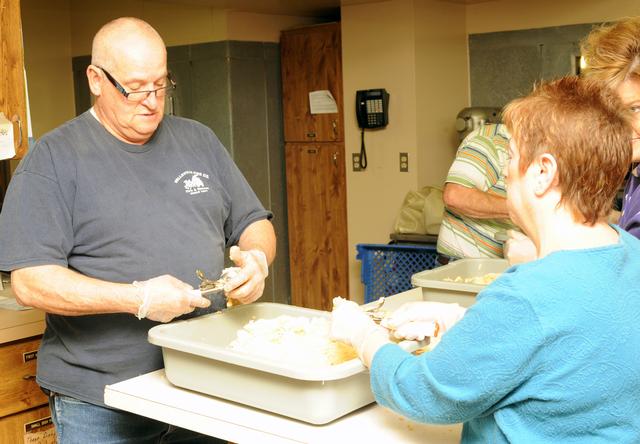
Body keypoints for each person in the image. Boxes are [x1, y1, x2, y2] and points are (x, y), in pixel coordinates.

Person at [0, 17, 275, 443]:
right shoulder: (53, 161)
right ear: (96, 79)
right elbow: (31, 284)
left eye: (160, 85)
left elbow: (253, 222)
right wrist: (138, 298)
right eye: (135, 88)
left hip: (201, 380)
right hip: (103, 400)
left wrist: (257, 260)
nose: (151, 101)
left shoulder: (198, 140)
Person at [331, 76, 640, 443]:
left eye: (511, 156)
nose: (507, 171)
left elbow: (423, 394)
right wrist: (463, 322)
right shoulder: (629, 253)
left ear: (543, 172)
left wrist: (364, 336)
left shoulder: (526, 295)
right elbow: (571, 346)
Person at [505, 16, 640, 263]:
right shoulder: (635, 176)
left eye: (636, 109)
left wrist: (544, 259)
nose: (624, 127)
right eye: (616, 112)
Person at [437, 122, 519, 261]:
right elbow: (456, 196)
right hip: (464, 268)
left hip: (506, 266)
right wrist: (524, 209)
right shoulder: (490, 141)